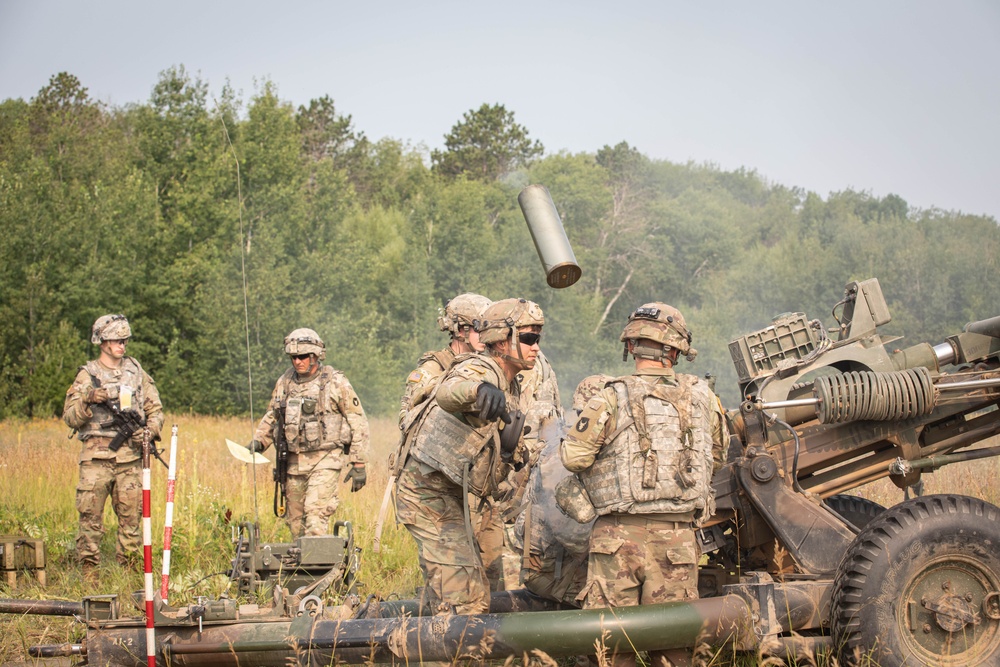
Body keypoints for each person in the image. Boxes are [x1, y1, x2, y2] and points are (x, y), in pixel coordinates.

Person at [560, 303, 728, 667]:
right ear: (676, 350)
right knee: (673, 647)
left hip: (617, 540)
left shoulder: (610, 396)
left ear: (632, 345)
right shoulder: (705, 398)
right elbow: (716, 455)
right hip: (678, 541)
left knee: (609, 644)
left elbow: (573, 458)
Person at [393, 298, 543, 614]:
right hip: (427, 496)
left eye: (538, 338)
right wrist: (479, 391)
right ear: (503, 339)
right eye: (529, 338)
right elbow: (451, 390)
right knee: (466, 604)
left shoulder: (510, 382)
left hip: (449, 497)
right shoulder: (481, 368)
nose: (536, 347)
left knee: (466, 596)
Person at [63, 314, 164, 574]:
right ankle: (89, 574)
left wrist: (149, 432)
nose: (123, 345)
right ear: (102, 342)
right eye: (117, 340)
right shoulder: (87, 375)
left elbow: (156, 410)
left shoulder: (136, 372)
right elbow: (70, 417)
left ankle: (128, 575)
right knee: (89, 520)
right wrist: (88, 398)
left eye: (125, 340)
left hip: (129, 460)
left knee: (131, 522)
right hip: (96, 461)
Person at [248, 328, 370, 539]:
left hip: (325, 460)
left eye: (303, 356)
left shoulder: (335, 382)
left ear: (315, 356)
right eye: (293, 357)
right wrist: (259, 441)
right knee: (296, 524)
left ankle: (319, 571)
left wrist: (358, 463)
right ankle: (300, 569)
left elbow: (358, 421)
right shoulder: (285, 382)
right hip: (293, 464)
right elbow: (273, 414)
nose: (298, 361)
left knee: (315, 518)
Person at [398, 292, 492, 427]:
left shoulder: (487, 367)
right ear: (460, 330)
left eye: (488, 328)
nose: (485, 334)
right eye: (479, 328)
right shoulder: (433, 369)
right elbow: (406, 421)